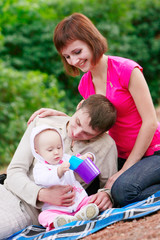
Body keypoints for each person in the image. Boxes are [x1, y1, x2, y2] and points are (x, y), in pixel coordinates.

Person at [32, 12, 160, 207]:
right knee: (85, 187)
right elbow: (92, 124)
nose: (73, 61)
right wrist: (62, 118)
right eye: (67, 56)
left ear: (92, 41)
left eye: (77, 52)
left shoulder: (127, 70)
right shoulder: (85, 84)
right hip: (119, 155)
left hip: (152, 151)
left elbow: (150, 123)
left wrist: (124, 170)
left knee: (122, 191)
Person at [0, 94, 117, 239]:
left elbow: (109, 183)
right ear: (79, 106)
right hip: (7, 192)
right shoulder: (43, 122)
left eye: (88, 134)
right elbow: (14, 171)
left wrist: (107, 194)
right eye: (77, 122)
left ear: (101, 133)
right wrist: (42, 194)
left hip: (28, 211)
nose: (76, 133)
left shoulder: (106, 146)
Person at [31, 124, 99, 230]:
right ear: (37, 151)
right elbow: (44, 179)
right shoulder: (39, 168)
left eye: (59, 147)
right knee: (43, 217)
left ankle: (83, 213)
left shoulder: (66, 158)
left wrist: (88, 157)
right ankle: (62, 221)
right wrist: (59, 171)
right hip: (56, 209)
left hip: (78, 201)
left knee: (92, 200)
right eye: (50, 150)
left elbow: (79, 162)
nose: (56, 152)